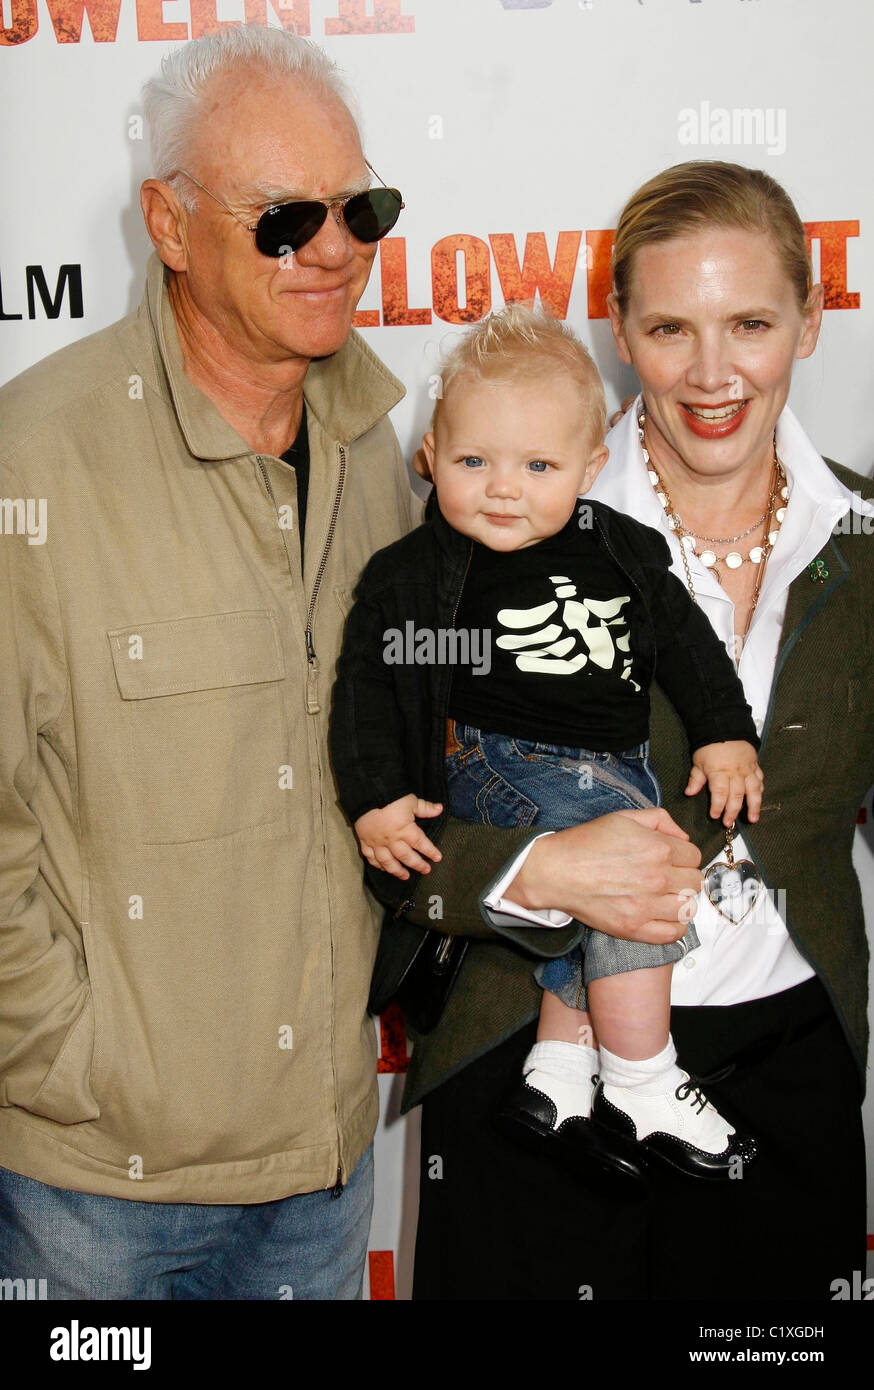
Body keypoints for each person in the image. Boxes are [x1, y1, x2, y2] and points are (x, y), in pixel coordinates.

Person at [393, 162, 874, 1300]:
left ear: (809, 320)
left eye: (749, 322)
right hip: (535, 1059)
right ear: (619, 331)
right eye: (670, 327)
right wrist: (536, 865)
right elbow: (375, 808)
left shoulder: (861, 535)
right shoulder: (490, 523)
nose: (712, 374)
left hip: (780, 1064)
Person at [0, 25, 416, 1299]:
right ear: (168, 225)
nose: (334, 246)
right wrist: (74, 1064)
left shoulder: (381, 455)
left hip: (328, 1166)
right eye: (285, 218)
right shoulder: (35, 461)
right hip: (99, 1194)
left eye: (361, 207)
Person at [330, 304, 764, 1183]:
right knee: (646, 866)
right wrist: (375, 795)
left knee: (607, 878)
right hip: (503, 761)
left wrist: (725, 733)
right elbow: (370, 687)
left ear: (590, 467)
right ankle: (643, 1075)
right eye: (472, 461)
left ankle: (560, 1072)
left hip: (619, 765)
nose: (502, 488)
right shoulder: (419, 575)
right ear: (429, 457)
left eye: (538, 466)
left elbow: (685, 643)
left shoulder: (622, 547)